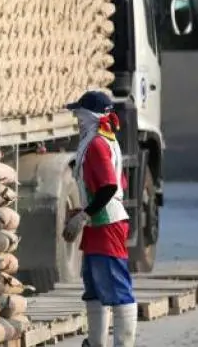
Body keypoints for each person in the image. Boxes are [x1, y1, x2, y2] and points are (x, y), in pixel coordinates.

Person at [63, 90, 137, 347]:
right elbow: (112, 185)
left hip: (107, 225)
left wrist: (84, 215)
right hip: (98, 224)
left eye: (79, 114)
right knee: (94, 288)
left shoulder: (97, 145)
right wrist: (82, 212)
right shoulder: (102, 140)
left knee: (117, 288)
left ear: (90, 116)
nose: (76, 119)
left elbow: (108, 188)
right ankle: (96, 343)